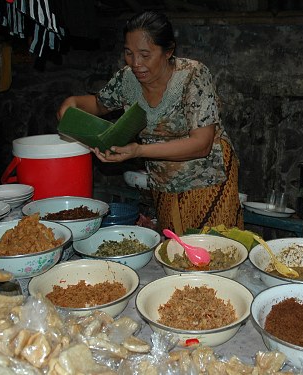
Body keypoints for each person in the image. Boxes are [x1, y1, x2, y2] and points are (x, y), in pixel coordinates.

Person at [57, 11, 243, 235]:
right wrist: (73, 102)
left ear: (168, 51)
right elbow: (98, 103)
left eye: (145, 55)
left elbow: (201, 144)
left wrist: (138, 151)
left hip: (208, 180)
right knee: (176, 252)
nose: (136, 63)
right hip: (164, 183)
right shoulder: (127, 79)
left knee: (214, 249)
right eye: (129, 53)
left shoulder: (193, 76)